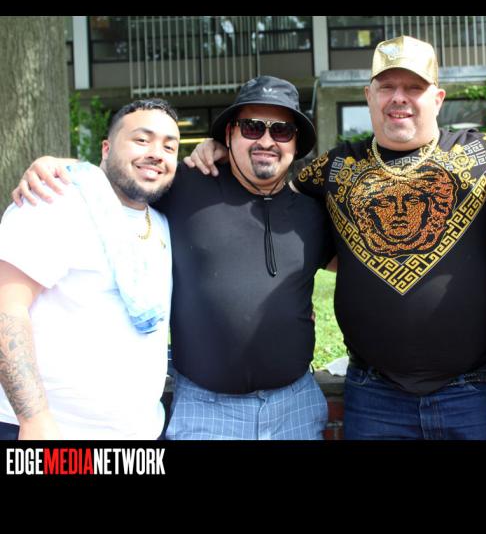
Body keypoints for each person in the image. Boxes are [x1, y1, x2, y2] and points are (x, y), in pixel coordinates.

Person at [13, 38, 486, 441]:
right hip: (368, 394)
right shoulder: (329, 171)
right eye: (387, 87)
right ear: (369, 97)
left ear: (438, 97)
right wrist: (65, 168)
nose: (399, 99)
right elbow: (153, 177)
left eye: (414, 88)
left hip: (471, 392)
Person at [13, 76, 334, 440]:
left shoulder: (313, 214)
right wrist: (56, 166)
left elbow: (356, 267)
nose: (265, 140)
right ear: (229, 134)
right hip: (206, 414)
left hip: (295, 407)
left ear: (295, 143)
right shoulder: (183, 186)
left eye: (281, 131)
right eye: (251, 127)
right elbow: (123, 174)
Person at [0, 98, 178, 439]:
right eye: (142, 140)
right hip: (53, 434)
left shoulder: (163, 221)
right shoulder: (52, 201)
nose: (157, 153)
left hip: (142, 433)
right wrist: (34, 420)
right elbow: (6, 307)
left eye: (169, 147)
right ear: (106, 148)